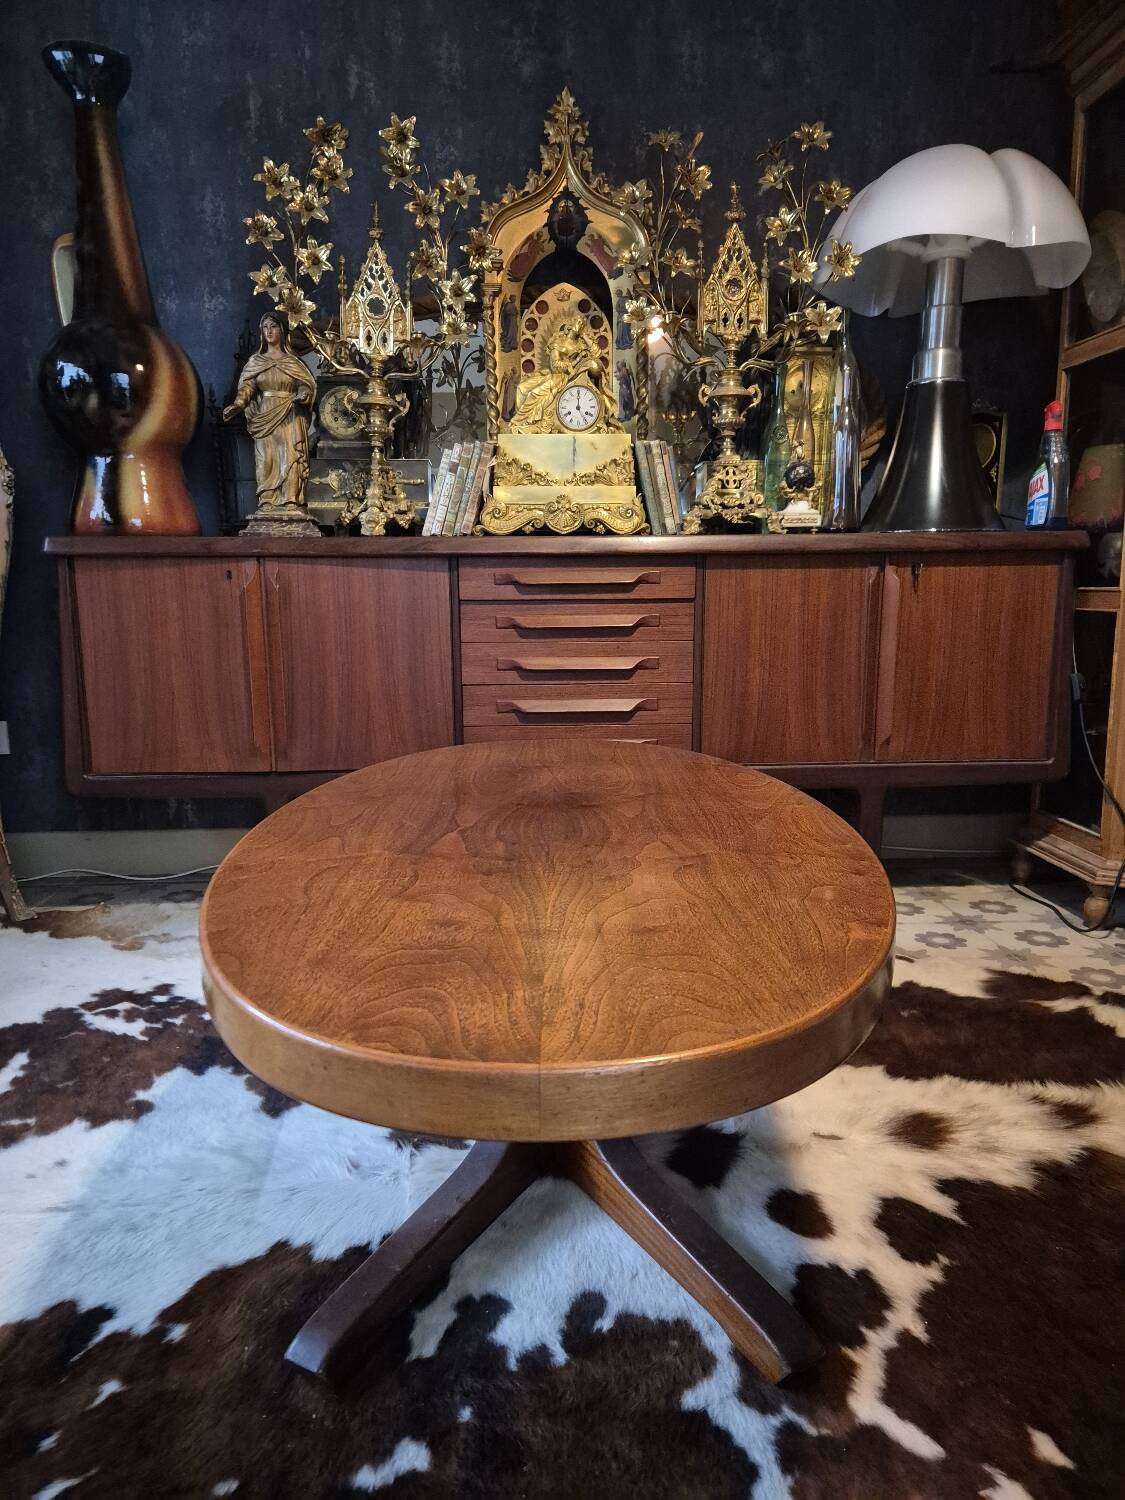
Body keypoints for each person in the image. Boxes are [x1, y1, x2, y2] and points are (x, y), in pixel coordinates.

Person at [223, 310, 317, 510]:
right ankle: (268, 498)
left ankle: (291, 498)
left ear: (282, 330)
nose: (269, 331)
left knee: (290, 455)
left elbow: (305, 384)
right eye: (265, 327)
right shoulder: (256, 362)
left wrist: (303, 394)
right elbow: (247, 387)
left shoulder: (293, 362)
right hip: (264, 414)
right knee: (266, 457)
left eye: (273, 326)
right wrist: (238, 404)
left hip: (291, 412)